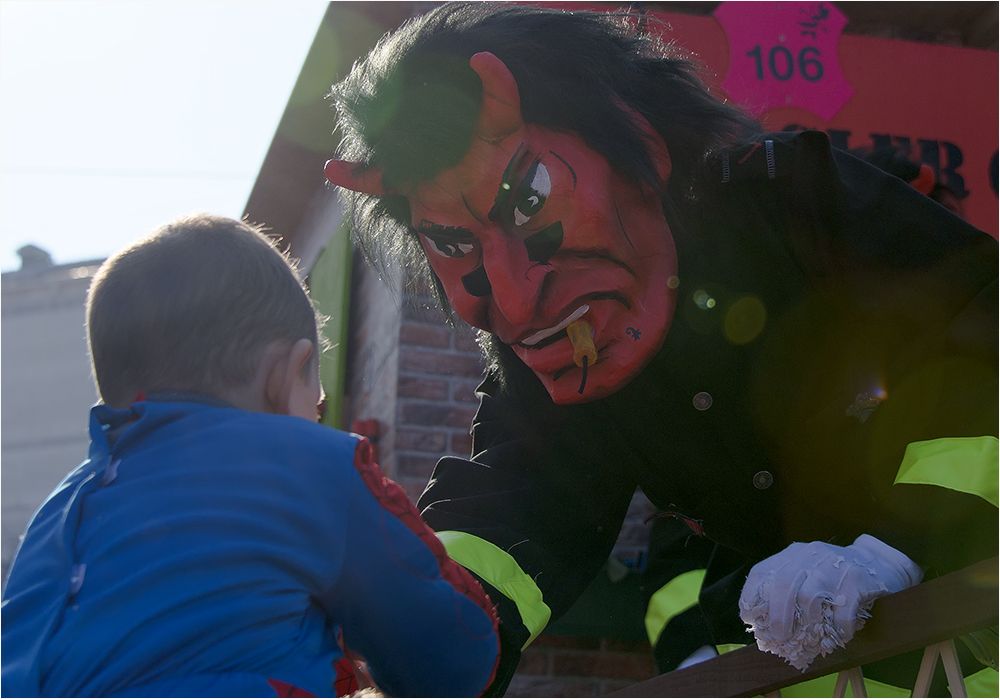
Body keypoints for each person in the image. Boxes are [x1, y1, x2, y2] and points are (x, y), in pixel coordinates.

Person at [324, 3, 998, 695]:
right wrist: (432, 620)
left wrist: (902, 541)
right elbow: (524, 500)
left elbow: (984, 331)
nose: (516, 299)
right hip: (797, 668)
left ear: (641, 149)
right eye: (457, 244)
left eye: (530, 197)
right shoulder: (555, 360)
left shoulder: (793, 203)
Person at [0, 214, 500, 698]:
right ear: (288, 374)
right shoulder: (312, 465)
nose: (320, 420)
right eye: (319, 405)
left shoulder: (57, 513)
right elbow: (452, 661)